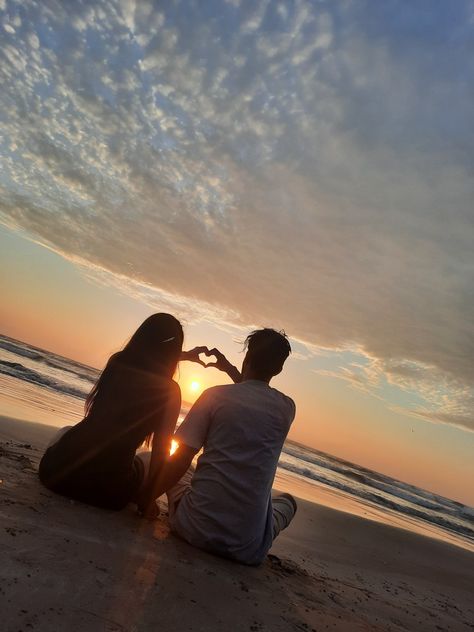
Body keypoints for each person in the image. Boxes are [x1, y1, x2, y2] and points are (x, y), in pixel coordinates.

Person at [139, 328, 297, 566]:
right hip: (248, 548)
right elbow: (251, 394)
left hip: (194, 529)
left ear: (247, 357)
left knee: (158, 460)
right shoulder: (286, 408)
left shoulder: (214, 396)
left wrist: (147, 500)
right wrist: (230, 370)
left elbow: (181, 459)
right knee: (287, 503)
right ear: (279, 369)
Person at [39, 313, 204, 511]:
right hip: (109, 491)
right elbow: (161, 451)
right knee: (147, 457)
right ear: (173, 351)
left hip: (56, 473)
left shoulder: (117, 362)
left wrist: (183, 355)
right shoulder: (170, 391)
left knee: (66, 431)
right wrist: (148, 500)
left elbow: (147, 356)